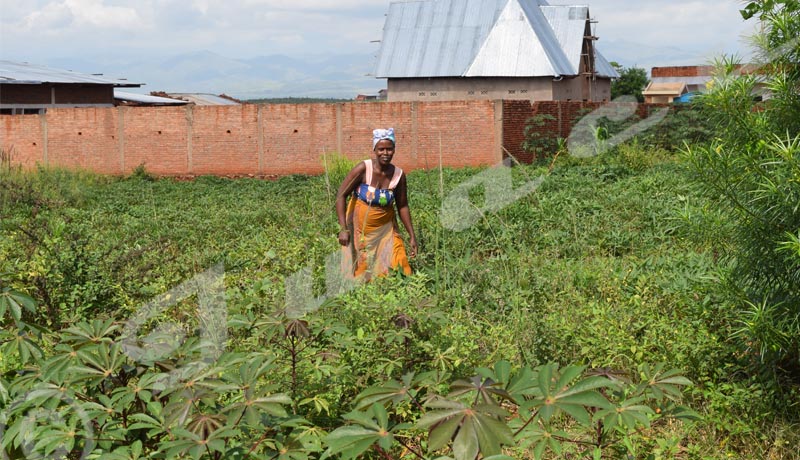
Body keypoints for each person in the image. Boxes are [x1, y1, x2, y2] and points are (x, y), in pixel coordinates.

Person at [336, 128, 418, 280]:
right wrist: (343, 229)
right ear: (374, 149)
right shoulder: (363, 169)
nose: (385, 153)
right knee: (363, 272)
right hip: (360, 232)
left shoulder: (398, 175)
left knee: (401, 265)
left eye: (389, 149)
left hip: (387, 230)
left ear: (394, 150)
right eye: (381, 149)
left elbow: (402, 206)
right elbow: (341, 195)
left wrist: (412, 235)